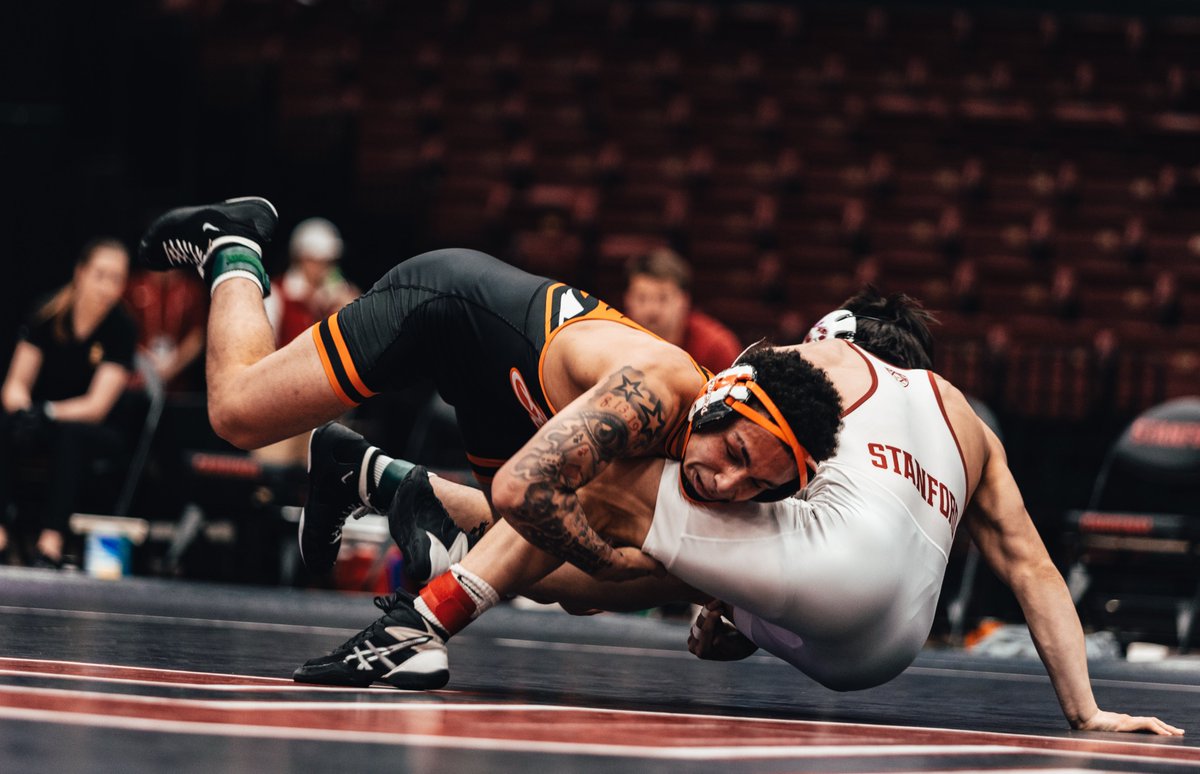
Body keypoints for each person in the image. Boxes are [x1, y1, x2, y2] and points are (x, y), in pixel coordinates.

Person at [292, 289, 1182, 736]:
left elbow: (711, 415)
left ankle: (423, 608)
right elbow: (1031, 565)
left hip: (824, 574)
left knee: (608, 483)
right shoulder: (970, 426)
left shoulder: (823, 362)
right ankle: (389, 481)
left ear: (840, 331)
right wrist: (1088, 711)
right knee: (616, 572)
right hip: (882, 647)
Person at [136, 196, 842, 592]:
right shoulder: (661, 390)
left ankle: (363, 473)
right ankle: (233, 244)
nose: (729, 482)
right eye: (738, 453)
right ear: (722, 406)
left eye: (757, 487)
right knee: (236, 413)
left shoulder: (699, 444)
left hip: (506, 395)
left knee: (565, 577)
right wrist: (618, 561)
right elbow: (524, 493)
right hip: (444, 303)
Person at [0, 238, 135, 566]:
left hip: (98, 430)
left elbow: (97, 405)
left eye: (117, 279)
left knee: (70, 434)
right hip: (46, 418)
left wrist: (48, 412)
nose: (108, 286)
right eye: (101, 275)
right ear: (80, 273)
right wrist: (24, 410)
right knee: (6, 422)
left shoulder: (121, 327)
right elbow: (15, 384)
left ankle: (51, 541)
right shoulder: (47, 313)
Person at [256, 217, 360, 465]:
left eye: (330, 263)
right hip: (282, 408)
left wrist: (352, 310)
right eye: (319, 262)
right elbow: (263, 354)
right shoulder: (278, 294)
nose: (326, 269)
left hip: (326, 410)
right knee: (273, 475)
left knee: (324, 480)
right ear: (302, 259)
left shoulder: (338, 295)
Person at [622, 248, 743, 373]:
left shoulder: (716, 348)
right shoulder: (614, 339)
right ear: (627, 299)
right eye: (641, 298)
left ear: (683, 300)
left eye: (663, 298)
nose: (652, 310)